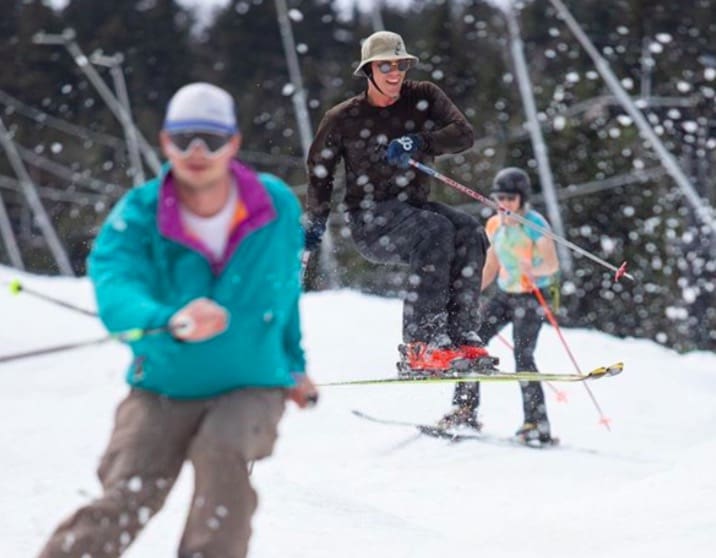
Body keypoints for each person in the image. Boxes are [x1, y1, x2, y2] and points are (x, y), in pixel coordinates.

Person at [37, 82, 318, 558]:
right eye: (184, 137)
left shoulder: (274, 205)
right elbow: (115, 284)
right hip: (163, 380)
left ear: (232, 142)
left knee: (222, 455)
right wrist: (165, 319)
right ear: (165, 141)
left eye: (210, 138)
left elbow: (285, 292)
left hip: (250, 381)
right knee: (129, 492)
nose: (196, 151)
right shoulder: (140, 212)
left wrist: (294, 363)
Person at [305, 30, 492, 375]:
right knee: (435, 230)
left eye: (401, 64)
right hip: (370, 220)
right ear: (368, 71)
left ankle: (460, 333)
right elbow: (320, 169)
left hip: (414, 210)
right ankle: (420, 343)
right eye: (385, 66)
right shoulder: (343, 118)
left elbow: (463, 134)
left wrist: (419, 142)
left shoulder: (423, 96)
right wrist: (316, 218)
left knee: (469, 231)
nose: (395, 74)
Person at [439, 167, 560, 445]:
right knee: (471, 346)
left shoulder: (533, 223)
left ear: (522, 199)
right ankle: (465, 410)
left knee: (523, 356)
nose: (504, 204)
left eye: (510, 198)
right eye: (500, 198)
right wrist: (467, 294)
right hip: (505, 296)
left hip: (531, 297)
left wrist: (536, 268)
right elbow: (491, 265)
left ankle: (536, 423)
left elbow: (552, 265)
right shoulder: (494, 225)